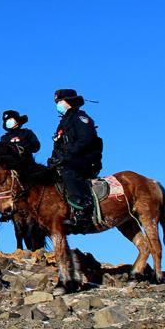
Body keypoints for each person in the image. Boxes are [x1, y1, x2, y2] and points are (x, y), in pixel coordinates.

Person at [47, 89, 103, 232]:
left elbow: (85, 140)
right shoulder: (62, 123)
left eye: (60, 101)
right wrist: (54, 159)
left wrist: (66, 156)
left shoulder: (80, 118)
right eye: (57, 102)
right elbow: (58, 145)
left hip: (84, 159)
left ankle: (83, 208)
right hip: (67, 159)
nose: (58, 104)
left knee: (68, 173)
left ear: (69, 102)